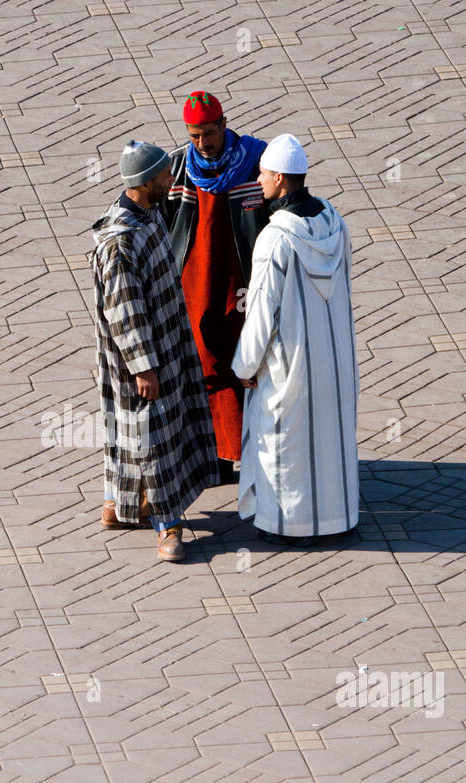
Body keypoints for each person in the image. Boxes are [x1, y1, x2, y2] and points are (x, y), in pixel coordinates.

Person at [91, 141, 219, 562]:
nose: (172, 178)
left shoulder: (149, 213)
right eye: (165, 174)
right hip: (143, 361)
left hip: (168, 344)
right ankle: (168, 525)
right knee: (153, 438)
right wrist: (144, 367)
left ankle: (117, 504)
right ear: (145, 183)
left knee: (131, 436)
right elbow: (124, 311)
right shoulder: (120, 242)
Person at [231, 134, 359, 544]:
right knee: (329, 439)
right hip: (334, 355)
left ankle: (285, 525)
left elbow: (262, 311)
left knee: (284, 442)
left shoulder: (275, 238)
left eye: (264, 173)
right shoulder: (334, 222)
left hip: (290, 363)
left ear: (282, 179)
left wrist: (245, 366)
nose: (259, 179)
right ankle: (337, 519)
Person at [160, 91, 268, 481]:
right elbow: (163, 225)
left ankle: (252, 450)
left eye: (209, 133)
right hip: (197, 284)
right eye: (194, 135)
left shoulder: (259, 161)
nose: (203, 143)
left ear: (224, 125)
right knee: (206, 364)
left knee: (250, 361)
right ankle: (217, 456)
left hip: (246, 281)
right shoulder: (176, 167)